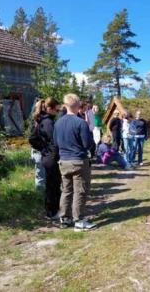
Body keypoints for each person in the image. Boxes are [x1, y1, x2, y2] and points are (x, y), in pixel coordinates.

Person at [53, 93, 96, 231]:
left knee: (66, 190)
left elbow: (55, 143)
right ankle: (79, 221)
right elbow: (87, 144)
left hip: (63, 161)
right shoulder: (80, 123)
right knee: (80, 191)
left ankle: (65, 219)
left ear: (65, 106)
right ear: (78, 106)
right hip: (78, 160)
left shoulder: (58, 123)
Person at [33, 97, 61, 219]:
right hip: (51, 157)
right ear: (49, 108)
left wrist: (43, 149)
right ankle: (52, 212)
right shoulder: (48, 122)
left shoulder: (42, 120)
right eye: (56, 109)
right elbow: (53, 141)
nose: (58, 111)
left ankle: (52, 210)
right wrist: (46, 150)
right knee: (53, 185)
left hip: (47, 156)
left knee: (52, 184)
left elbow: (33, 139)